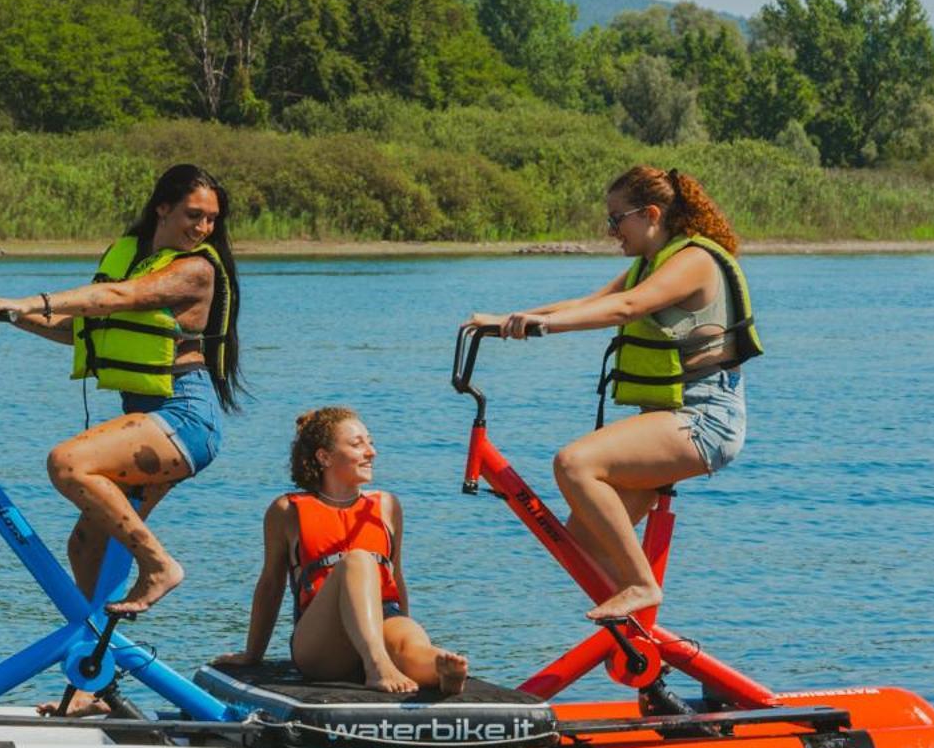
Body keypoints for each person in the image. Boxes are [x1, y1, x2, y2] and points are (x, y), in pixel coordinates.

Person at [467, 166, 760, 624]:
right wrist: (507, 319)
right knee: (579, 545)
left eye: (615, 220)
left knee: (574, 463)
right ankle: (638, 645)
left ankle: (642, 586)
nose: (610, 232)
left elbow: (627, 309)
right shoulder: (650, 263)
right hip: (669, 418)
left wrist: (544, 327)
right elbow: (589, 304)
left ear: (651, 214)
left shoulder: (694, 261)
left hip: (704, 419)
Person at [0, 163, 243, 616]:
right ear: (162, 208)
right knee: (87, 546)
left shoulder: (195, 271)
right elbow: (79, 329)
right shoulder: (131, 257)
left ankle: (158, 566)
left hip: (184, 419)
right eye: (194, 214)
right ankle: (93, 671)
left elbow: (118, 298)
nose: (203, 227)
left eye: (211, 219)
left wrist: (28, 300)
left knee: (68, 463)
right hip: (148, 420)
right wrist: (7, 315)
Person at [218, 407, 468, 696]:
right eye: (357, 444)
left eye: (370, 442)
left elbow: (395, 578)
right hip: (322, 634)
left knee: (410, 644)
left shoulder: (387, 506)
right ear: (324, 457)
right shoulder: (287, 511)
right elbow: (271, 586)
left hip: (383, 616)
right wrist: (253, 655)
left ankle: (440, 669)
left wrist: (405, 624)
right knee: (358, 561)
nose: (371, 452)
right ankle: (377, 666)